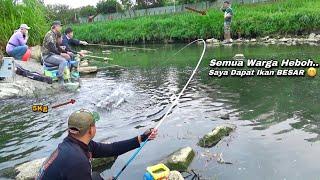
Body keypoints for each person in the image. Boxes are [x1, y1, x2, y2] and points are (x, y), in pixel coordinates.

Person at [36, 109, 158, 180]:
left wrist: (142, 138)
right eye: (95, 124)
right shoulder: (77, 161)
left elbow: (112, 149)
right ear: (91, 130)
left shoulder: (76, 143)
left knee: (95, 176)